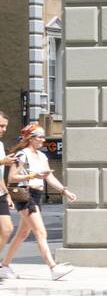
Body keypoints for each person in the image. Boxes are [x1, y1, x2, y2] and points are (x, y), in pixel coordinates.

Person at [1, 123, 77, 280]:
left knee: (23, 233)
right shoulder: (22, 155)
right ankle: (52, 267)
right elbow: (12, 178)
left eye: (43, 136)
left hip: (36, 195)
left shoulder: (42, 156)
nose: (43, 139)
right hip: (24, 195)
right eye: (40, 137)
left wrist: (64, 191)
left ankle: (5, 265)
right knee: (41, 231)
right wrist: (32, 176)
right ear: (31, 138)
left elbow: (49, 177)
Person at [0, 112, 15, 279]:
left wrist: (7, 193)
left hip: (0, 193)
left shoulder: (0, 145)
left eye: (5, 126)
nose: (3, 129)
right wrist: (2, 161)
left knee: (7, 228)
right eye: (1, 125)